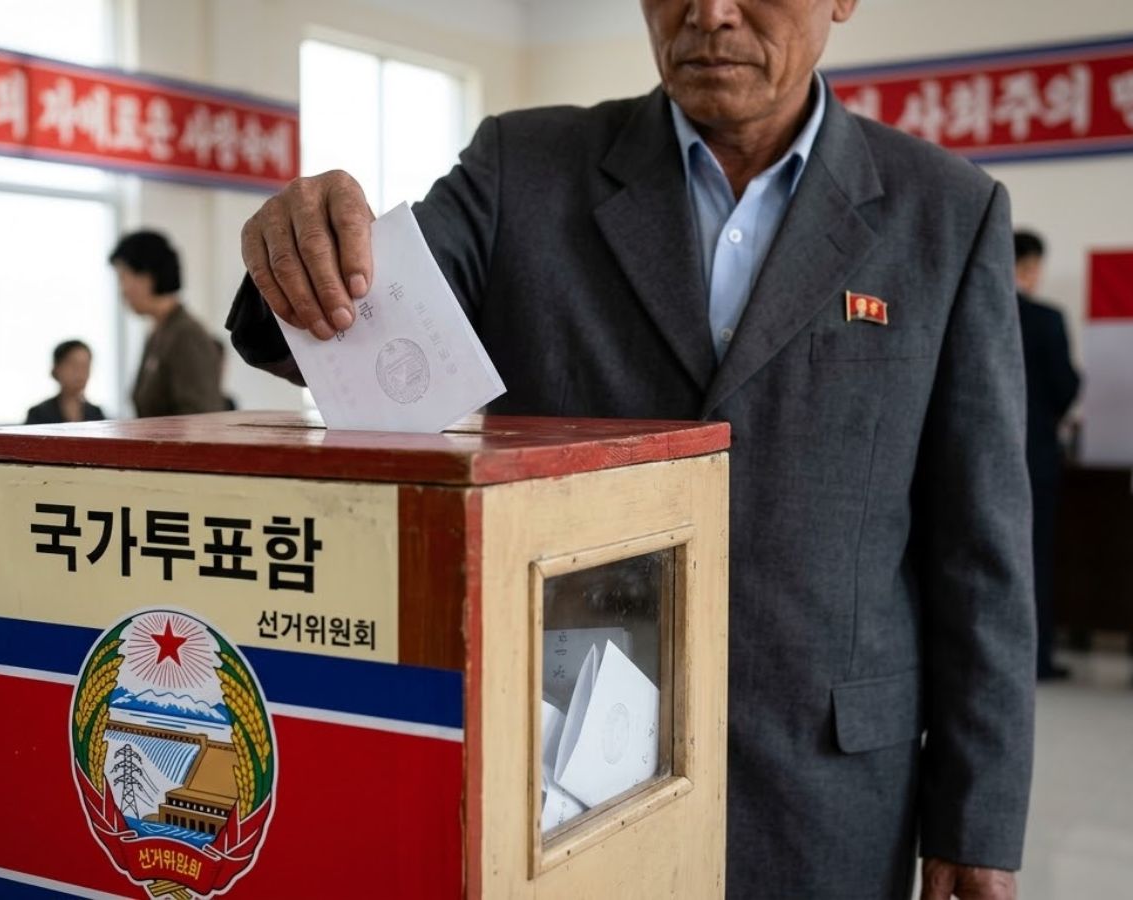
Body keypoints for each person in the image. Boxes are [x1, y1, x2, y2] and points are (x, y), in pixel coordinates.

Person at [227, 2, 1035, 898]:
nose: (710, 13)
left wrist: (978, 820)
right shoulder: (521, 169)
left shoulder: (945, 215)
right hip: (563, 769)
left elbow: (980, 552)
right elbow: (360, 315)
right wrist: (305, 253)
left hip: (827, 783)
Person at [1014, 230, 1081, 681]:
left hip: (960, 457)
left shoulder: (960, 302)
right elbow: (1066, 388)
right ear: (1031, 267)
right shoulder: (1045, 319)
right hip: (1034, 457)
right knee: (1033, 558)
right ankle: (1033, 660)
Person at [109, 230, 229, 417]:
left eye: (123, 277)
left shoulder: (185, 334)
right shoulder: (159, 332)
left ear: (147, 277)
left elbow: (200, 416)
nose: (122, 291)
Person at [25, 340, 106, 425]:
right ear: (57, 368)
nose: (80, 372)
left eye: (85, 366)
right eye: (73, 365)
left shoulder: (96, 414)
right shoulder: (39, 413)